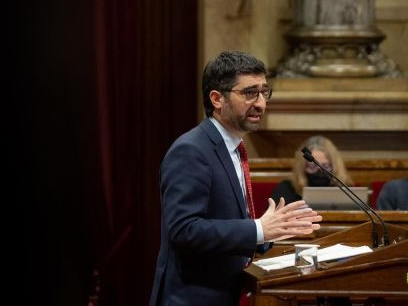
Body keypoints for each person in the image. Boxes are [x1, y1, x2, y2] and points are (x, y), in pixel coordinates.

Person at [149, 51, 323, 306]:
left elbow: (227, 223)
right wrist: (259, 229)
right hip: (190, 298)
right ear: (217, 99)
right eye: (250, 93)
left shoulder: (233, 148)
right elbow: (184, 231)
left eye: (265, 92)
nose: (261, 103)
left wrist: (270, 232)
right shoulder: (191, 150)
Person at [270, 135, 354, 204]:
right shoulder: (286, 189)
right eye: (313, 166)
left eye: (325, 166)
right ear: (302, 166)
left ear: (334, 166)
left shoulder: (346, 190)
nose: (319, 171)